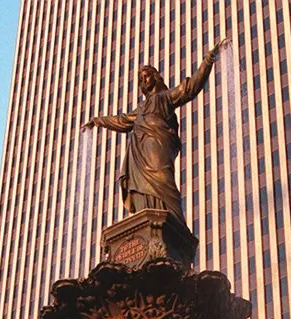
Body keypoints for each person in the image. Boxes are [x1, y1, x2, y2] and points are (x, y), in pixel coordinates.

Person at [84, 43, 225, 224]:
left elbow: (190, 88)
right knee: (142, 191)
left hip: (158, 145)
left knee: (163, 179)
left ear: (155, 76)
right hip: (140, 152)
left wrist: (208, 60)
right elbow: (121, 120)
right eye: (141, 78)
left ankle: (175, 222)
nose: (144, 79)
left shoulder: (164, 96)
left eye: (147, 75)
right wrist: (98, 121)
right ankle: (147, 219)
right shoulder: (141, 108)